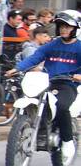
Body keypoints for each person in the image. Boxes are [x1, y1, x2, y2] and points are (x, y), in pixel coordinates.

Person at [12, 11, 81, 149]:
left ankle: (67, 142)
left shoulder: (79, 46)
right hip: (46, 81)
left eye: (67, 26)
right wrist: (17, 68)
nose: (63, 29)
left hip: (67, 84)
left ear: (75, 28)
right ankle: (41, 133)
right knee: (35, 101)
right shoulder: (53, 44)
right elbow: (35, 57)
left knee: (61, 107)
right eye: (61, 26)